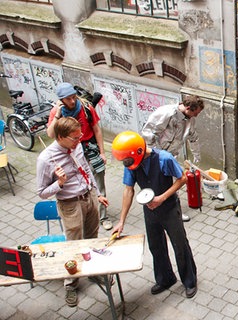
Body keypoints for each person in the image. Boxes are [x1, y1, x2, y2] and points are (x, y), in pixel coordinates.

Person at [110, 131, 198, 298]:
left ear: (137, 152)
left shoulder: (164, 158)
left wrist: (162, 198)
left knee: (180, 245)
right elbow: (128, 191)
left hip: (169, 207)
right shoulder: (132, 165)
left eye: (127, 160)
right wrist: (121, 221)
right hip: (150, 209)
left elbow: (182, 179)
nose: (126, 164)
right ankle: (165, 279)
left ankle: (190, 281)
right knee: (155, 245)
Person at [36, 117, 109, 307]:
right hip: (70, 204)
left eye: (80, 136)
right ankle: (70, 284)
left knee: (92, 237)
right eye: (75, 138)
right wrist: (58, 183)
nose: (79, 141)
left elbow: (86, 168)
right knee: (73, 245)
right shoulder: (45, 159)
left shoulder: (76, 146)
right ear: (60, 137)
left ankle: (94, 272)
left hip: (88, 196)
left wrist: (97, 192)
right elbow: (41, 193)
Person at [47, 83, 111, 231]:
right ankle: (87, 211)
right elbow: (50, 134)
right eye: (68, 99)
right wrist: (57, 114)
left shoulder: (86, 107)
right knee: (78, 182)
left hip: (89, 148)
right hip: (70, 152)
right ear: (61, 99)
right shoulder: (57, 112)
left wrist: (102, 152)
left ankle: (103, 216)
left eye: (74, 97)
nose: (72, 101)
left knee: (99, 181)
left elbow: (97, 130)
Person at [140, 95, 205, 222]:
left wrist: (197, 155)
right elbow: (149, 133)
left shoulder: (189, 119)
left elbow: (193, 136)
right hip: (156, 156)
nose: (196, 116)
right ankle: (154, 209)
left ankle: (176, 212)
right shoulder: (166, 113)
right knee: (156, 183)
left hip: (171, 156)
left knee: (176, 182)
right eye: (195, 113)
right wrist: (156, 154)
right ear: (188, 108)